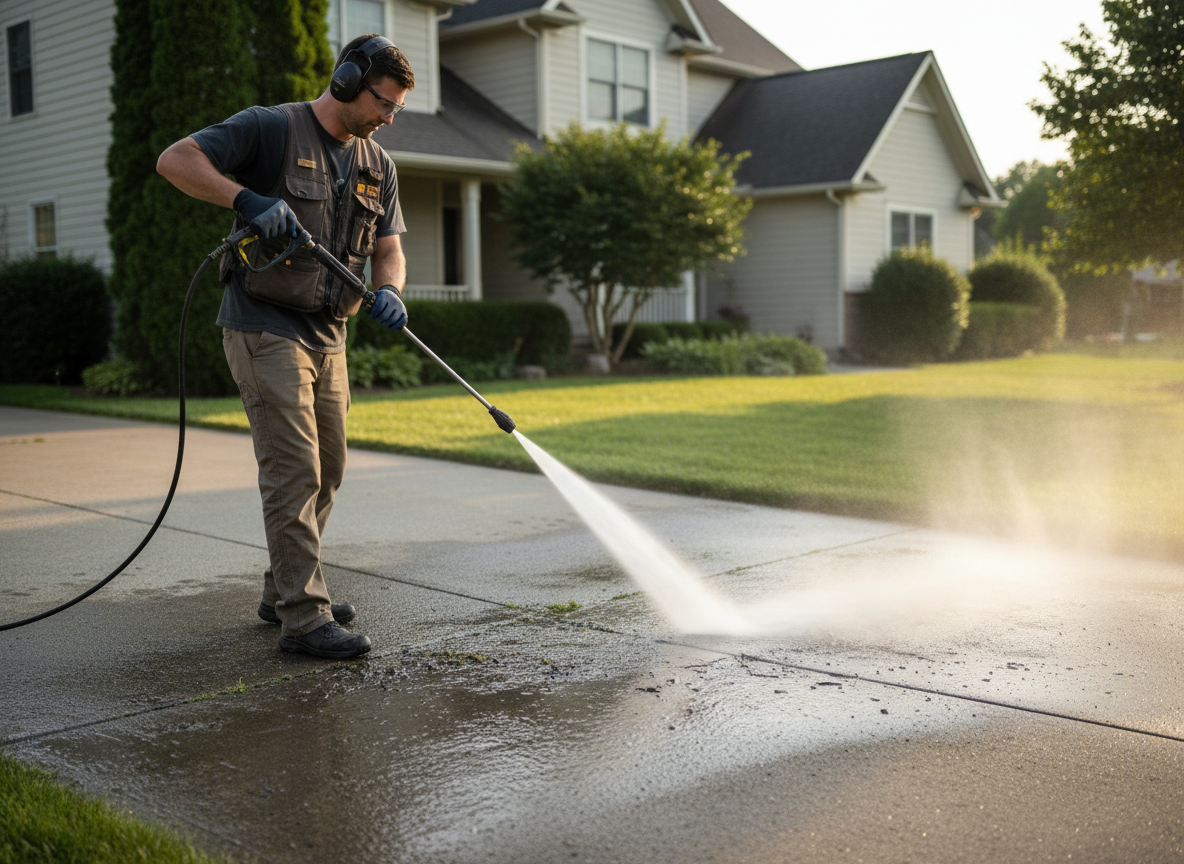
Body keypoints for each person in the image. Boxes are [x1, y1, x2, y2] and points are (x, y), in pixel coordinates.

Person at [156, 34, 415, 659]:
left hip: (331, 332)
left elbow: (389, 248)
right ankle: (303, 618)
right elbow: (176, 159)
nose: (386, 118)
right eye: (382, 102)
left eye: (395, 110)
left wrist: (391, 289)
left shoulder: (378, 165)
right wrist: (245, 198)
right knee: (293, 468)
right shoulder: (273, 129)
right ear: (348, 80)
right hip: (263, 322)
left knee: (329, 468)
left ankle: (282, 590)